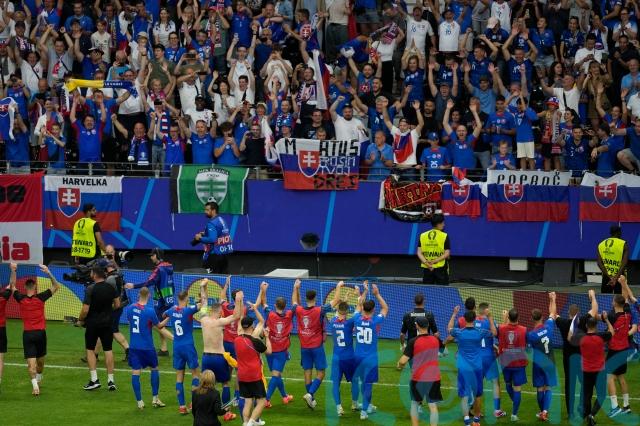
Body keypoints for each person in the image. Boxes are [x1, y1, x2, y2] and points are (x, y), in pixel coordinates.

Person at [11, 263, 60, 396]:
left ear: (25, 287)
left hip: (29, 335)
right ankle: (35, 386)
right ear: (35, 287)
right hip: (39, 334)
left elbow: (12, 286)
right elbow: (56, 286)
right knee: (37, 364)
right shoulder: (41, 297)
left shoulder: (21, 298)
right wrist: (48, 272)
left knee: (36, 364)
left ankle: (37, 380)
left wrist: (13, 270)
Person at [551, 289, 598, 420]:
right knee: (585, 384)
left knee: (570, 385)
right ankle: (583, 409)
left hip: (568, 359)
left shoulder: (563, 323)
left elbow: (553, 314)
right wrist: (592, 296)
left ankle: (571, 412)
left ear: (568, 313)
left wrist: (553, 299)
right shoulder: (582, 321)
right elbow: (594, 310)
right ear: (578, 313)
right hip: (582, 359)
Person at [199, 287, 244, 421]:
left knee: (205, 384)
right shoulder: (219, 322)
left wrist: (203, 287)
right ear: (219, 312)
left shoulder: (203, 320)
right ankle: (226, 413)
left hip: (206, 357)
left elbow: (204, 301)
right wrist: (238, 300)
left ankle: (205, 409)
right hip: (219, 358)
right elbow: (236, 316)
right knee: (225, 383)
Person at [163, 283, 208, 414]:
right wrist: (202, 289)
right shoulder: (188, 310)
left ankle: (182, 406)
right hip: (188, 346)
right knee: (195, 373)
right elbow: (203, 304)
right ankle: (193, 403)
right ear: (187, 298)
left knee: (179, 377)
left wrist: (171, 314)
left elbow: (164, 315)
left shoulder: (172, 309)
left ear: (178, 298)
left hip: (177, 346)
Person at [448, 306, 494, 426]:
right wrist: (489, 317)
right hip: (477, 367)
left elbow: (449, 329)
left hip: (463, 368)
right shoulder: (480, 332)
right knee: (478, 394)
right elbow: (494, 333)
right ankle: (476, 420)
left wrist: (454, 314)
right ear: (474, 319)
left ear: (464, 319)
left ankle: (467, 421)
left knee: (464, 394)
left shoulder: (459, 332)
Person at [125, 248, 175, 356]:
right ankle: (164, 349)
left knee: (155, 324)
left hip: (161, 300)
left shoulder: (159, 269)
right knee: (160, 324)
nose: (151, 258)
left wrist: (134, 286)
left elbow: (150, 281)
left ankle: (176, 341)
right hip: (168, 297)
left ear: (157, 255)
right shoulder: (168, 266)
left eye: (152, 255)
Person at [77, 265, 120, 391]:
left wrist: (80, 320)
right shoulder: (111, 287)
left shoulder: (90, 288)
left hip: (93, 324)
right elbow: (117, 304)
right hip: (107, 323)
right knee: (108, 349)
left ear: (95, 275)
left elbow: (85, 309)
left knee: (90, 350)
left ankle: (94, 380)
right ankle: (111, 381)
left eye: (91, 273)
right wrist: (107, 311)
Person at [292, 278, 333, 409]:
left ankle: (311, 399)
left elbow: (294, 302)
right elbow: (336, 300)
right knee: (321, 373)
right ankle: (310, 394)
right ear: (315, 298)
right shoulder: (320, 310)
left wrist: (296, 287)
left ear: (306, 298)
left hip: (304, 347)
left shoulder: (299, 310)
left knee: (307, 371)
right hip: (317, 347)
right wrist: (338, 286)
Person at [569, 313, 615, 426]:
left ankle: (588, 416)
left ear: (586, 326)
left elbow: (569, 338)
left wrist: (573, 322)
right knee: (602, 395)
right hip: (599, 371)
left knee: (587, 395)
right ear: (596, 325)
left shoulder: (581, 337)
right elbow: (612, 332)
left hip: (586, 371)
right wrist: (607, 320)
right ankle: (591, 415)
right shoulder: (601, 336)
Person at [125, 287, 167, 409]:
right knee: (154, 369)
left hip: (134, 347)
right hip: (147, 347)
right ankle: (155, 399)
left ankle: (139, 402)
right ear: (149, 295)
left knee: (135, 372)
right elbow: (159, 326)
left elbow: (130, 322)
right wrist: (169, 317)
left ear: (139, 294)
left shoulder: (130, 308)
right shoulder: (150, 311)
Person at [397, 316, 443, 426]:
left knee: (414, 404)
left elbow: (403, 361)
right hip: (434, 377)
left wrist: (399, 365)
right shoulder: (436, 339)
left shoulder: (413, 341)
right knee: (433, 406)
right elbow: (444, 352)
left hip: (418, 378)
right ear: (428, 325)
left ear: (417, 326)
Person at [352, 282, 388, 420]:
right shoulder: (375, 321)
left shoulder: (356, 318)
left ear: (363, 309)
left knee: (362, 381)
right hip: (370, 358)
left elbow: (358, 305)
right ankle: (364, 411)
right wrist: (376, 294)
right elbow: (385, 308)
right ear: (373, 310)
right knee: (368, 384)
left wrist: (364, 292)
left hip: (357, 357)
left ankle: (367, 406)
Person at [328, 281, 362, 416]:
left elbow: (340, 310)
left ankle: (339, 408)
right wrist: (358, 294)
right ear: (347, 311)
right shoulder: (350, 323)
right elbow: (359, 309)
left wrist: (344, 299)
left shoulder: (332, 322)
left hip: (336, 358)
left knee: (335, 383)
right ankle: (354, 404)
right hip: (349, 358)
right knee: (355, 381)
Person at [234, 308, 272, 426]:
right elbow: (269, 351)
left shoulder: (237, 339)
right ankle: (251, 422)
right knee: (262, 401)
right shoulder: (255, 341)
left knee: (248, 401)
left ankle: (245, 423)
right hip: (254, 375)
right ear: (251, 326)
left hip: (242, 375)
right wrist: (267, 337)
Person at [262, 283, 295, 408]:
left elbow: (264, 302)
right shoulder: (289, 315)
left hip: (269, 350)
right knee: (275, 375)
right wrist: (295, 288)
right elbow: (295, 305)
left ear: (275, 305)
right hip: (281, 352)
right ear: (285, 306)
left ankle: (285, 396)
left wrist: (263, 290)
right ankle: (266, 399)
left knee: (277, 374)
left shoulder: (270, 314)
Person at [492, 308, 528, 422]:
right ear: (518, 318)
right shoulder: (524, 330)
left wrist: (504, 318)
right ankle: (514, 414)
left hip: (505, 362)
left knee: (508, 383)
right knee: (517, 388)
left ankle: (514, 401)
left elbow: (498, 333)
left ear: (508, 317)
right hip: (518, 364)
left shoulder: (501, 328)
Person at [605, 292, 635, 417]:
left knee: (609, 377)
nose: (612, 302)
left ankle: (615, 407)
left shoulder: (612, 316)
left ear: (615, 303)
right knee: (621, 377)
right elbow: (625, 298)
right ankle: (626, 406)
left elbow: (597, 317)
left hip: (614, 350)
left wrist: (605, 318)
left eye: (613, 300)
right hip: (624, 349)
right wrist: (623, 283)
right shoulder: (627, 314)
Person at [526, 307, 558, 422]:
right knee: (548, 387)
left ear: (531, 318)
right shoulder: (548, 327)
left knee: (540, 388)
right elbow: (553, 313)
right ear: (542, 317)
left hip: (538, 364)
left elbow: (528, 352)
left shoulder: (531, 335)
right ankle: (544, 412)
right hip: (550, 362)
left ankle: (542, 412)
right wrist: (553, 299)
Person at [194, 201, 233, 274]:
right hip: (224, 254)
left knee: (210, 278)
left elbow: (212, 239)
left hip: (214, 255)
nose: (205, 212)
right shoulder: (221, 220)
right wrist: (206, 233)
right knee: (223, 277)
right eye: (205, 210)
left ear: (214, 210)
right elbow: (220, 233)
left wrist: (199, 238)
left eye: (207, 210)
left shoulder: (211, 223)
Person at [105, 259, 130, 362]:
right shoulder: (119, 274)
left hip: (114, 307)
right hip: (119, 306)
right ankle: (94, 354)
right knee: (106, 330)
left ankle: (129, 351)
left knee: (114, 331)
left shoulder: (110, 278)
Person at [416, 213, 451, 285]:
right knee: (443, 290)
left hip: (427, 268)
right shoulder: (444, 236)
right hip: (441, 268)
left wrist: (427, 264)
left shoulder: (422, 235)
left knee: (428, 289)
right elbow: (447, 253)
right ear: (438, 224)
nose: (444, 225)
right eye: (442, 223)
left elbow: (419, 252)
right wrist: (434, 261)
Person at [597, 225, 628, 294]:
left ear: (610, 233)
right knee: (620, 298)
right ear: (619, 232)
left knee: (605, 298)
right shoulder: (623, 244)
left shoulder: (601, 244)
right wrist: (616, 277)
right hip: (620, 276)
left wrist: (610, 277)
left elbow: (599, 263)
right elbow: (624, 262)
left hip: (606, 276)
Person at [0, 263, 12, 391]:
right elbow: (11, 285)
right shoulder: (3, 297)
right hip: (1, 330)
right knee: (0, 358)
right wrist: (13, 270)